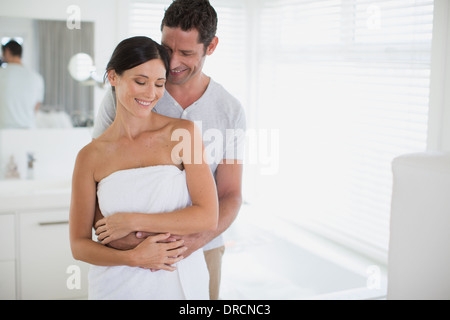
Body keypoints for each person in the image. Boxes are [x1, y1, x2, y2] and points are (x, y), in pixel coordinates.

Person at [92, 0, 246, 300]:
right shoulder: (127, 96)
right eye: (166, 48)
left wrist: (190, 242)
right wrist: (124, 244)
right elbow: (96, 178)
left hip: (203, 248)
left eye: (186, 53)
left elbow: (230, 194)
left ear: (210, 46)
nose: (172, 62)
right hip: (129, 247)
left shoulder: (229, 111)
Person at [69, 36, 218, 300]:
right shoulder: (90, 157)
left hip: (178, 283)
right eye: (140, 81)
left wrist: (133, 221)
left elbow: (207, 216)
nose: (151, 94)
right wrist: (134, 257)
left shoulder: (182, 133)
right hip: (116, 287)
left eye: (159, 84)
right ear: (113, 77)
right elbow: (79, 246)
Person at [0, 40, 44, 129]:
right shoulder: (36, 77)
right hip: (28, 130)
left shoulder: (2, 73)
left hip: (3, 130)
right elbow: (36, 107)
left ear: (7, 52)